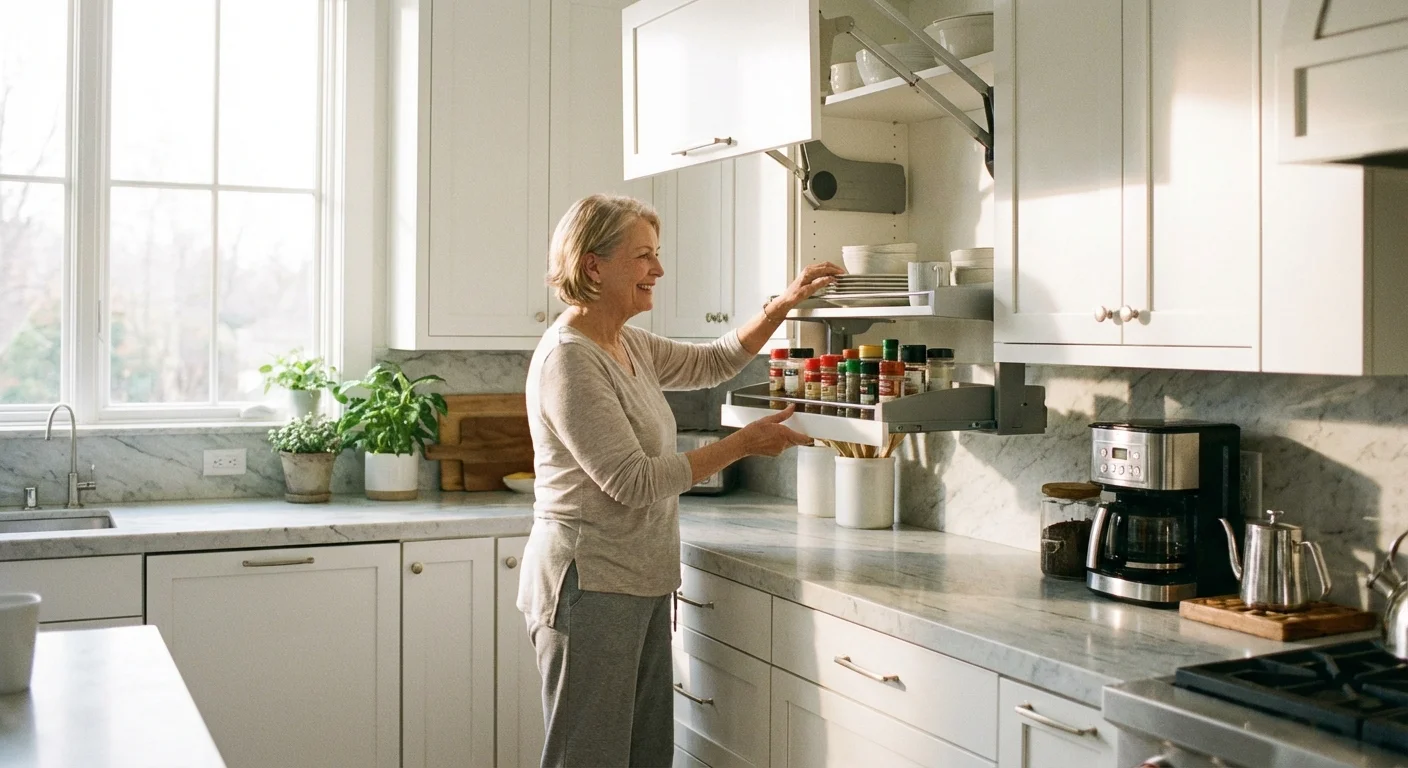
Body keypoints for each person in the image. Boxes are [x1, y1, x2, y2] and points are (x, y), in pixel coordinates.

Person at [520, 193, 842, 767]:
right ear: (594, 266)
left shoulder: (625, 343)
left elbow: (712, 362)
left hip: (638, 578)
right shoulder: (569, 358)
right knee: (588, 758)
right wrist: (745, 443)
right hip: (589, 585)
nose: (659, 270)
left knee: (645, 757)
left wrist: (782, 306)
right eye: (643, 256)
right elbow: (632, 480)